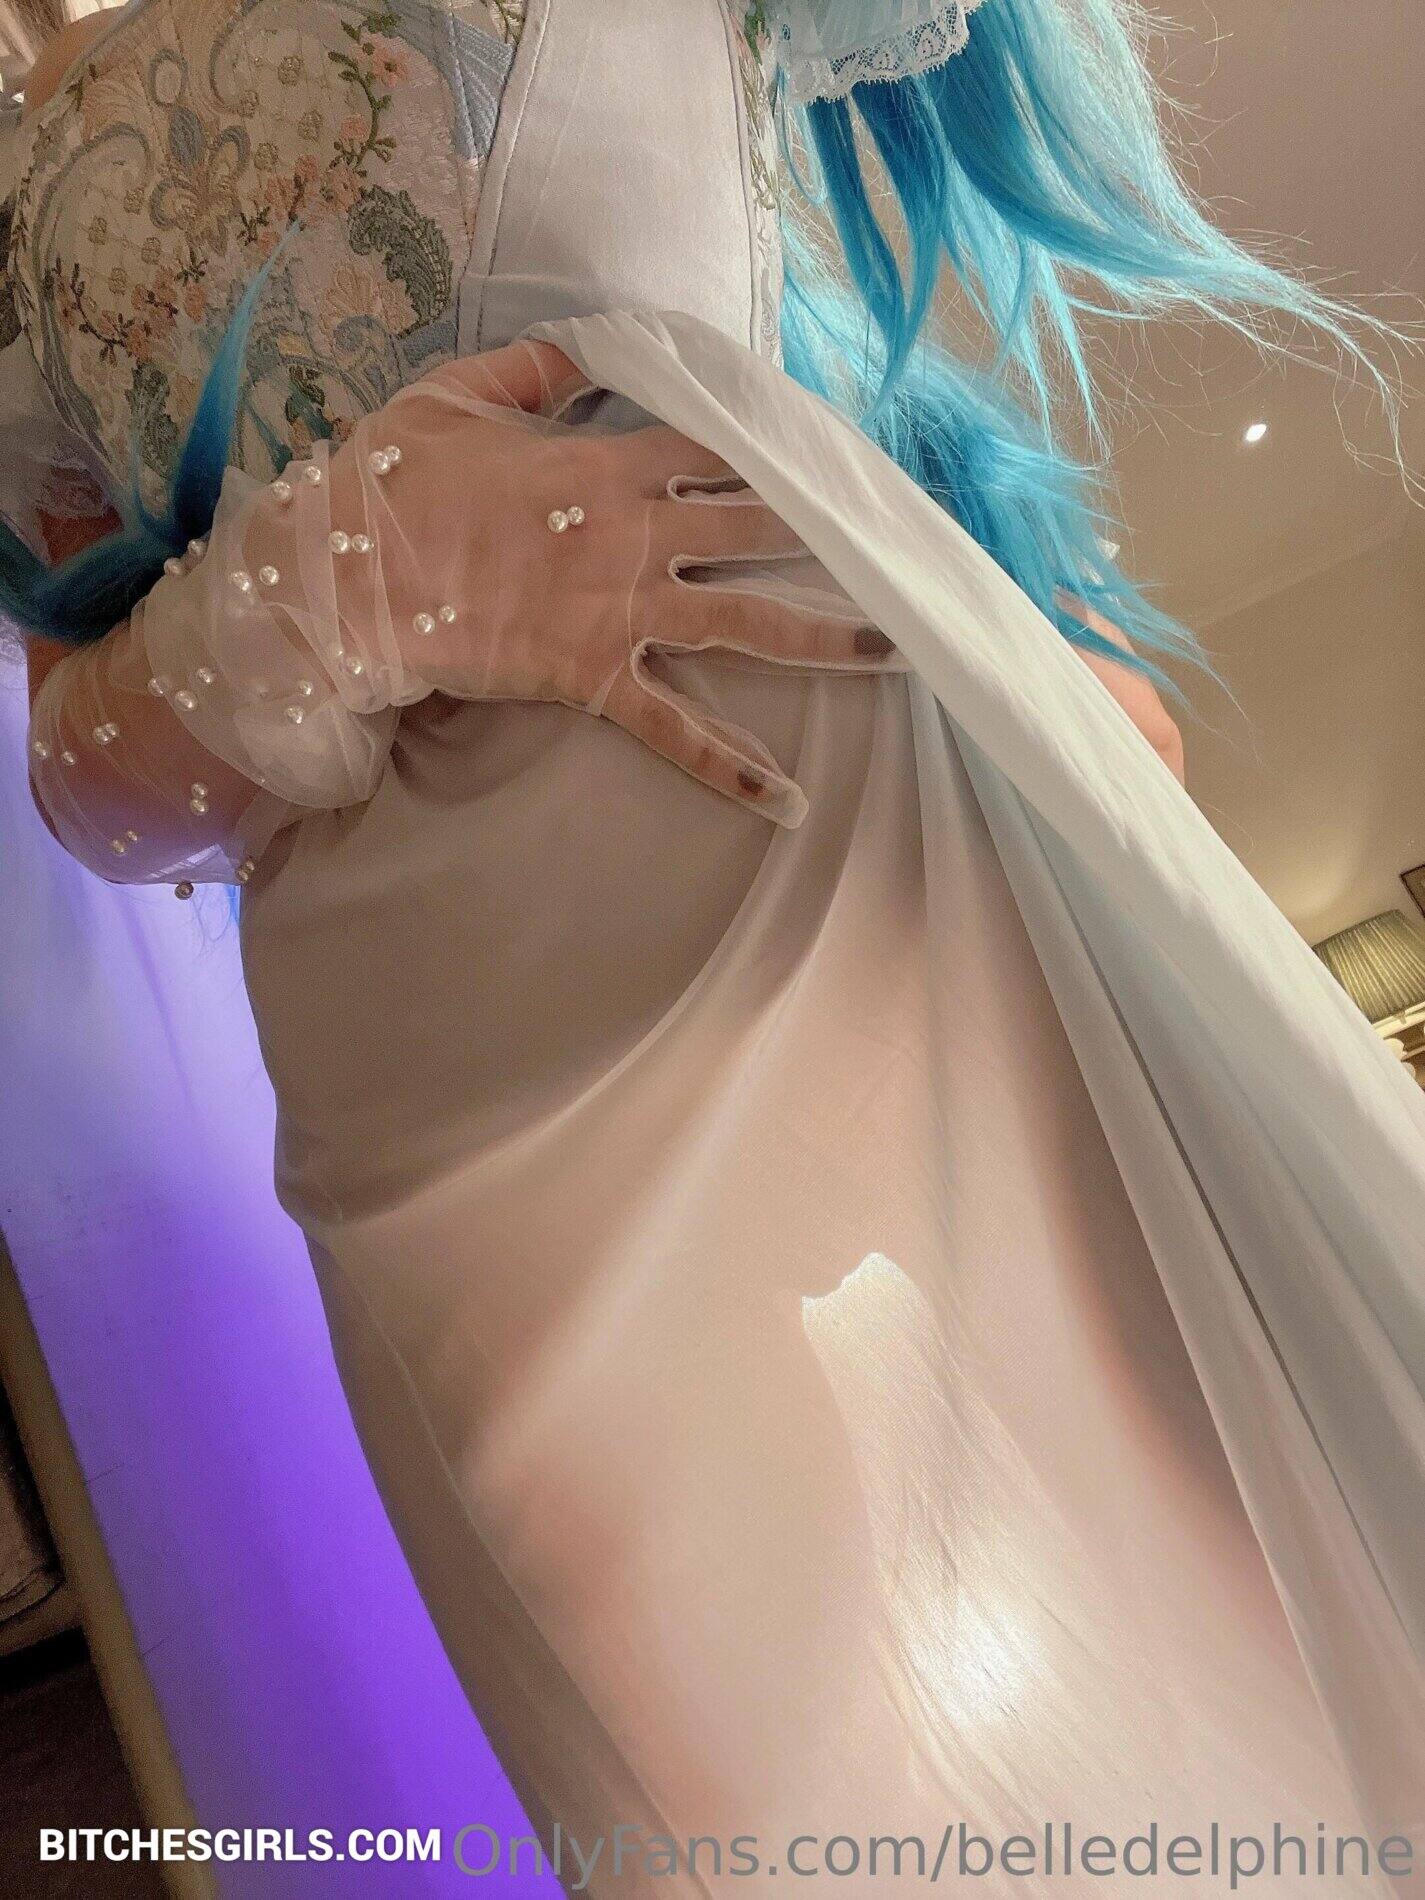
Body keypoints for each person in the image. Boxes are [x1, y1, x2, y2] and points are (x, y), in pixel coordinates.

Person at [4, 2, 1422, 1891]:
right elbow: (91, 785)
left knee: (1251, 1538)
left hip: (859, 837)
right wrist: (361, 570)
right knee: (727, 1778)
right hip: (443, 1077)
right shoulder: (15, 176)